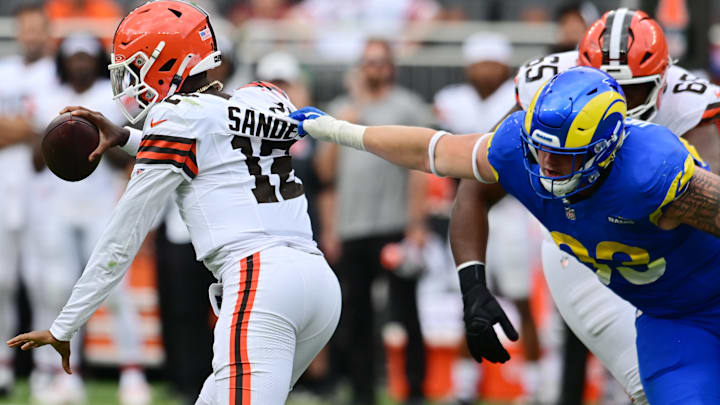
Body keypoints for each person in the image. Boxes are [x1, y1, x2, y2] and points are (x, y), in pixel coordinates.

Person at [290, 65, 720, 404]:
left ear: (604, 150)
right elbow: (431, 150)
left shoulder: (651, 174)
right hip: (675, 321)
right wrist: (336, 130)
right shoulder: (520, 149)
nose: (547, 167)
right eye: (542, 151)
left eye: (563, 158)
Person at [8, 2, 340, 405]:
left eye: (134, 64)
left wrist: (64, 325)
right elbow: (217, 147)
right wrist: (130, 138)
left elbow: (121, 238)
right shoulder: (263, 97)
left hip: (261, 281)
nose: (128, 77)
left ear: (166, 62)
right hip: (317, 281)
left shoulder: (175, 117)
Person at [451, 8, 720, 405]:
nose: (618, 102)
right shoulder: (548, 93)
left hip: (664, 255)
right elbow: (476, 186)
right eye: (608, 85)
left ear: (663, 82)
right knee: (650, 389)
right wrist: (472, 283)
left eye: (633, 91)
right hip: (577, 246)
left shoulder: (690, 106)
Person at [25, 32, 151, 405]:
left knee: (115, 291)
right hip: (57, 205)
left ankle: (133, 374)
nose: (80, 63)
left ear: (95, 59)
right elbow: (36, 162)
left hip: (102, 205)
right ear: (64, 61)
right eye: (73, 57)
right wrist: (55, 140)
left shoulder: (111, 99)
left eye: (85, 57)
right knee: (59, 289)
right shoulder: (48, 96)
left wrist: (95, 136)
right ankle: (68, 375)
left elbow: (124, 157)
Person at [317, 38, 431, 405]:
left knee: (406, 312)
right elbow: (325, 175)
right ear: (360, 66)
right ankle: (361, 391)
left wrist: (416, 224)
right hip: (352, 228)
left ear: (392, 66)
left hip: (394, 224)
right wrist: (331, 229)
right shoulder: (340, 109)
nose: (375, 68)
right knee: (356, 316)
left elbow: (419, 171)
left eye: (382, 61)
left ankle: (415, 390)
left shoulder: (408, 107)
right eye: (369, 62)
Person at [434, 31, 542, 403]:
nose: (482, 70)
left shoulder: (516, 100)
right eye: (477, 62)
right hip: (465, 208)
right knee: (470, 297)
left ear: (503, 65)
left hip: (512, 210)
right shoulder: (453, 101)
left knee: (522, 298)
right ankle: (465, 386)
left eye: (489, 61)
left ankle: (534, 386)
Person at [0, 3, 56, 397]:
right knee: (2, 280)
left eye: (38, 29)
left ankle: (45, 365)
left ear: (47, 32)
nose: (31, 36)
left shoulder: (56, 74)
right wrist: (27, 128)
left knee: (44, 280)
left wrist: (24, 128)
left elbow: (50, 129)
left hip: (44, 189)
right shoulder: (4, 71)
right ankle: (3, 366)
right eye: (26, 29)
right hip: (5, 185)